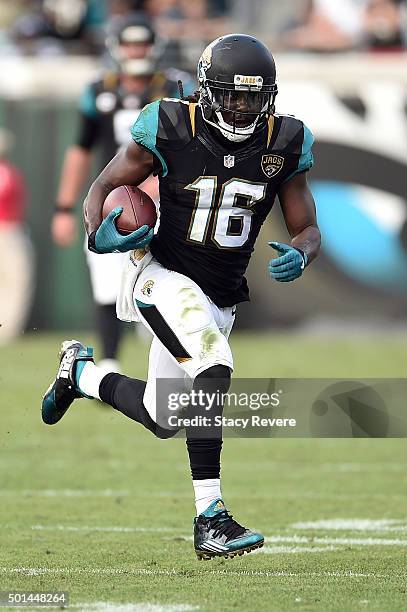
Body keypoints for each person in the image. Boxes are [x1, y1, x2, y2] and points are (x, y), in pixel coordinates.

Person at [42, 34, 321, 559]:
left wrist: (302, 252)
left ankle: (80, 373)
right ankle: (211, 518)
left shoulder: (285, 140)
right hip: (160, 274)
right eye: (232, 96)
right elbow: (102, 188)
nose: (243, 108)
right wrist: (96, 232)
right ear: (207, 91)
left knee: (165, 415)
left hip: (220, 292)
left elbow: (306, 223)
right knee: (213, 364)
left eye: (253, 97)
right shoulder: (170, 125)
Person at [51, 11, 194, 372]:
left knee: (164, 279)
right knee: (105, 279)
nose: (136, 50)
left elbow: (192, 152)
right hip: (114, 197)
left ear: (155, 47)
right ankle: (110, 361)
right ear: (117, 48)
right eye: (129, 44)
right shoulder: (99, 89)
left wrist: (153, 186)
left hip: (166, 199)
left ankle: (165, 354)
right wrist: (64, 207)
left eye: (142, 43)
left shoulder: (175, 88)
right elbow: (80, 150)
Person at [0, 128, 34, 344]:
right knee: (16, 281)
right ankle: (6, 331)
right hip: (7, 233)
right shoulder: (5, 172)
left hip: (11, 230)